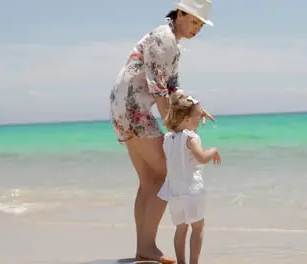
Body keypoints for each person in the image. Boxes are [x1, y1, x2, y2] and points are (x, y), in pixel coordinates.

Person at [109, 0, 215, 263]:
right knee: (165, 174)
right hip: (135, 108)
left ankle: (144, 248)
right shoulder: (164, 38)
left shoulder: (172, 44)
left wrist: (194, 106)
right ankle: (148, 246)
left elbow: (172, 86)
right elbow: (157, 88)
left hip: (123, 108)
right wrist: (175, 127)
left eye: (200, 26)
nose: (196, 29)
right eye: (193, 22)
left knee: (149, 179)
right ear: (179, 14)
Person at [157, 92, 221, 264]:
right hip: (192, 191)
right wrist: (213, 151)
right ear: (185, 119)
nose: (200, 120)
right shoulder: (191, 137)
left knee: (180, 229)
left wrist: (197, 111)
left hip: (174, 193)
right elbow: (201, 158)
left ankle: (181, 262)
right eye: (197, 117)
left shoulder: (167, 138)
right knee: (198, 228)